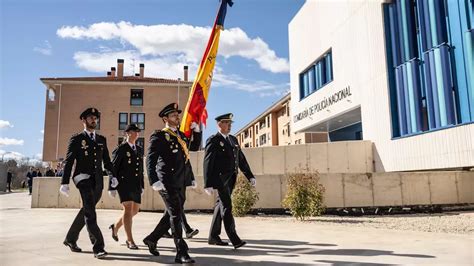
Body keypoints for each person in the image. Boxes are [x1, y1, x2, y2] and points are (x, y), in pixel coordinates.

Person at [143, 103, 201, 264]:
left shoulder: (181, 136)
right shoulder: (159, 136)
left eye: (177, 114)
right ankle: (181, 252)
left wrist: (197, 131)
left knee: (172, 212)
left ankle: (151, 239)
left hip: (180, 180)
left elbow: (194, 148)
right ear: (165, 118)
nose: (177, 117)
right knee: (176, 213)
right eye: (174, 115)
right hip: (166, 181)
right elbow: (150, 160)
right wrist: (154, 180)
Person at [58, 107, 118, 259]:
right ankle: (98, 247)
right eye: (91, 117)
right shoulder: (77, 139)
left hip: (97, 180)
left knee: (87, 209)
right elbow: (69, 161)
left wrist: (112, 176)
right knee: (91, 212)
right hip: (82, 178)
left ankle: (70, 239)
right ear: (83, 120)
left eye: (95, 118)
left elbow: (107, 161)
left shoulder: (101, 140)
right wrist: (64, 182)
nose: (94, 120)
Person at [203, 113, 256, 249]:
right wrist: (208, 183)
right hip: (220, 179)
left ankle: (213, 237)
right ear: (219, 124)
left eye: (230, 123)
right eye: (227, 123)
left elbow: (241, 159)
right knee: (227, 206)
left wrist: (249, 175)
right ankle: (235, 239)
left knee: (220, 206)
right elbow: (208, 162)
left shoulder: (233, 139)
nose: (229, 126)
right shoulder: (213, 140)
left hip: (232, 178)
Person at [108, 124, 144, 249]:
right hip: (123, 183)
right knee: (128, 209)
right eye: (134, 131)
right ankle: (130, 240)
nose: (137, 133)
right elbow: (113, 168)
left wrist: (142, 185)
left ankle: (115, 227)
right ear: (127, 133)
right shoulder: (121, 149)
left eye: (138, 132)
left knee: (135, 210)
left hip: (135, 184)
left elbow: (140, 169)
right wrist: (111, 186)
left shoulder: (139, 149)